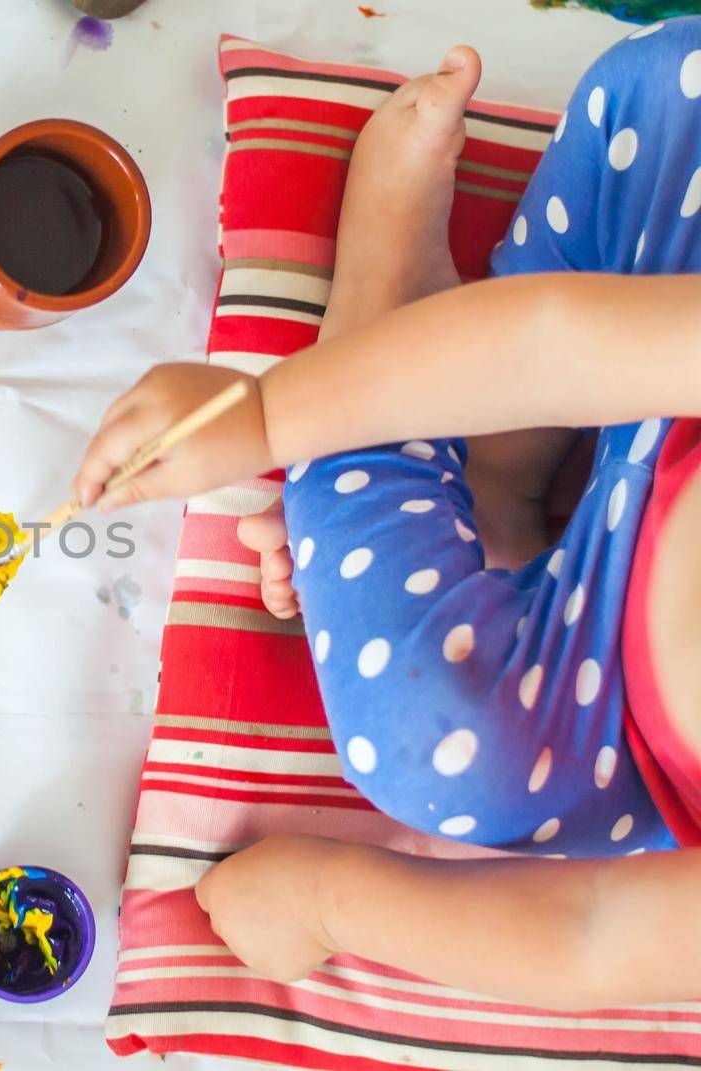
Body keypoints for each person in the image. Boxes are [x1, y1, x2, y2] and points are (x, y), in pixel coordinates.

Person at [73, 21, 701, 1009]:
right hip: (653, 373)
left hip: (608, 717)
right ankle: (475, 456)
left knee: (440, 752)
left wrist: (329, 900)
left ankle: (392, 332)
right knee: (672, 86)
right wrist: (268, 415)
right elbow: (544, 348)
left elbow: (592, 934)